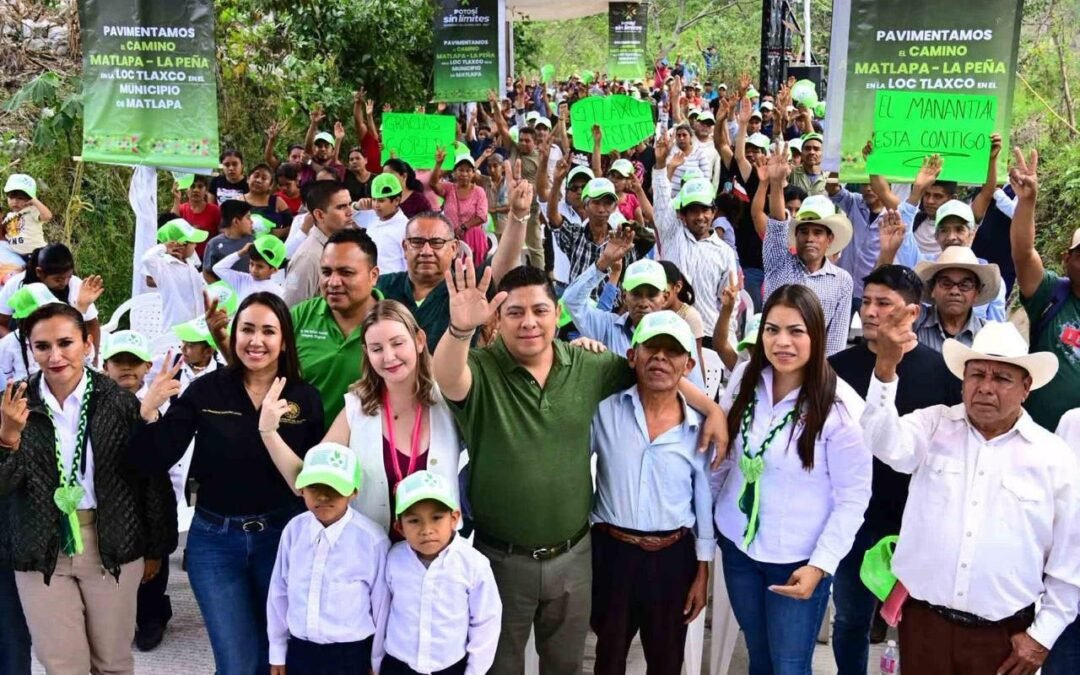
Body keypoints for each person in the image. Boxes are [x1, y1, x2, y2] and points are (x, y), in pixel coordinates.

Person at [432, 260, 728, 675]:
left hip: (574, 556)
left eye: (540, 310)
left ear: (557, 314)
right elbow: (446, 376)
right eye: (515, 312)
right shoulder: (481, 367)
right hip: (501, 558)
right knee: (498, 666)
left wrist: (710, 406)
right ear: (498, 319)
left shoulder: (589, 366)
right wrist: (460, 329)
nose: (529, 322)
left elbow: (655, 368)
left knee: (566, 665)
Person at [862, 317, 1080, 675]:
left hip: (1003, 639)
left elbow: (1070, 561)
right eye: (976, 375)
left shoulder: (1054, 457)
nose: (985, 388)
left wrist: (1042, 637)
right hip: (923, 625)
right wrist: (885, 370)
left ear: (1026, 387)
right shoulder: (933, 425)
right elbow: (883, 442)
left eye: (1001, 378)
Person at [130, 292, 324, 675]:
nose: (256, 340)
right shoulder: (206, 390)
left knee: (278, 658)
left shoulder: (304, 398)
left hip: (282, 538)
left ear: (284, 340)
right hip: (215, 542)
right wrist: (148, 409)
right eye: (247, 329)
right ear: (233, 336)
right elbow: (153, 457)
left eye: (268, 331)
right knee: (236, 663)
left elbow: (313, 480)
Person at [0, 303, 176, 675]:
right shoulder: (12, 404)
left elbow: (150, 479)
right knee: (63, 664)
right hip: (40, 547)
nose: (55, 355)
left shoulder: (120, 402)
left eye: (66, 343)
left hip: (111, 542)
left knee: (111, 662)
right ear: (30, 349)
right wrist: (7, 439)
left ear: (88, 343)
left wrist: (156, 548)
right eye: (42, 346)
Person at [712, 284, 871, 674]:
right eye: (772, 329)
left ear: (817, 334)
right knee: (759, 656)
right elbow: (723, 460)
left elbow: (854, 498)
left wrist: (821, 565)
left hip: (798, 562)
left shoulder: (841, 407)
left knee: (789, 666)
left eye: (796, 331)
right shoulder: (746, 383)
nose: (782, 342)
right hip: (739, 550)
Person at [827, 265, 962, 674]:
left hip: (916, 520)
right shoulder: (834, 368)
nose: (869, 312)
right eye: (866, 302)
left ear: (913, 314)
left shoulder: (942, 371)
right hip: (853, 518)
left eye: (883, 303)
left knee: (915, 622)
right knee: (850, 617)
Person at [260, 300, 462, 533]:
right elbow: (308, 482)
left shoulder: (447, 399)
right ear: (366, 352)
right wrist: (268, 432)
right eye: (376, 349)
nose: (388, 357)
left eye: (397, 343)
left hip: (437, 557)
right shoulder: (356, 407)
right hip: (371, 554)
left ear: (419, 341)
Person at [589, 311, 713, 674]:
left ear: (688, 364)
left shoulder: (698, 428)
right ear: (632, 356)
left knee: (666, 659)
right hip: (613, 554)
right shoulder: (604, 412)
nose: (660, 358)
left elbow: (702, 501)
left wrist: (702, 570)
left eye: (672, 351)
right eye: (651, 348)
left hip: (672, 557)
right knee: (608, 657)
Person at [266, 442, 390, 675]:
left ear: (353, 491)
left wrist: (376, 661)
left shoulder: (372, 540)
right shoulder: (294, 530)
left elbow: (382, 607)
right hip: (301, 650)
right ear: (302, 489)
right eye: (314, 487)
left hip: (350, 654)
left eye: (334, 487)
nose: (323, 496)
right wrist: (277, 650)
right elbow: (279, 593)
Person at [376, 179, 530, 351]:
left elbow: (504, 263)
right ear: (405, 247)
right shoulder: (382, 287)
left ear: (454, 248)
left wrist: (518, 215)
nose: (426, 251)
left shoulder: (469, 288)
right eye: (417, 242)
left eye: (436, 242)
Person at [382, 470, 501, 675]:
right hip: (399, 664)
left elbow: (486, 622)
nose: (427, 529)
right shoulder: (393, 559)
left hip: (449, 666)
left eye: (436, 518)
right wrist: (377, 662)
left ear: (454, 518)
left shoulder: (474, 564)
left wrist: (474, 671)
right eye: (414, 521)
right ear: (399, 527)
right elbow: (383, 610)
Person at [1008, 148, 1080, 433]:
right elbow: (1023, 254)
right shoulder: (1051, 294)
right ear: (1067, 259)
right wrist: (1028, 202)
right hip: (1037, 437)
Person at [762, 148, 854, 356]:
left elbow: (836, 341)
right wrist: (776, 184)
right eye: (803, 231)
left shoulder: (842, 281)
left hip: (814, 373)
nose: (810, 238)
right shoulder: (778, 263)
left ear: (829, 239)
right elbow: (777, 225)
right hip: (773, 361)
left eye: (817, 232)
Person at [652, 137, 740, 347]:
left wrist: (726, 336)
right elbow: (662, 202)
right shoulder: (672, 232)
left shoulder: (724, 252)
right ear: (682, 214)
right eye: (692, 210)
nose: (699, 216)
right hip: (669, 327)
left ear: (713, 212)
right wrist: (661, 166)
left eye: (704, 210)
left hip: (709, 333)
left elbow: (729, 302)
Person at [290, 229, 380, 426]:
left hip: (366, 449)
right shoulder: (299, 317)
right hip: (299, 449)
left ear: (373, 276)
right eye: (326, 272)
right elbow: (262, 375)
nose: (333, 282)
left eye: (346, 272)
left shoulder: (395, 325)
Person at [0, 244, 103, 353]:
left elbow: (92, 325)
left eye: (68, 276)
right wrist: (18, 344)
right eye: (58, 279)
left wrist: (95, 358)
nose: (64, 282)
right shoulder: (16, 285)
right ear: (39, 272)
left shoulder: (76, 286)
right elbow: (1, 323)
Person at [912, 246, 1000, 352]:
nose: (955, 291)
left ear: (977, 292)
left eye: (965, 285)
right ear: (932, 288)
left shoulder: (988, 336)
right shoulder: (912, 322)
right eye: (946, 283)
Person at [283, 180, 354, 307]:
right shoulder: (309, 257)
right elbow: (292, 311)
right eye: (341, 207)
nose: (350, 212)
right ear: (320, 215)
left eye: (350, 204)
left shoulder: (337, 246)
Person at [142, 217, 208, 329]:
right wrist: (165, 246)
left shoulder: (190, 264)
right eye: (193, 242)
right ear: (181, 245)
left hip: (197, 327)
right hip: (175, 330)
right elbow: (147, 258)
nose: (195, 246)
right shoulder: (164, 266)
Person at [429, 151, 490, 267]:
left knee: (470, 270)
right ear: (455, 173)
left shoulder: (479, 191)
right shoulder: (449, 188)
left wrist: (463, 227)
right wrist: (438, 164)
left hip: (472, 238)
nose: (464, 174)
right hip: (451, 237)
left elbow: (482, 216)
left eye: (468, 171)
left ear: (473, 173)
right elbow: (433, 184)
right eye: (461, 170)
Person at [212, 235, 288, 302]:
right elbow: (218, 268)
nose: (254, 270)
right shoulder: (242, 280)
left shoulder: (278, 292)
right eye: (251, 264)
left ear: (274, 270)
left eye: (260, 266)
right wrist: (240, 253)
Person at [359, 173, 408, 275]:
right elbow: (351, 215)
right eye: (374, 199)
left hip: (392, 285)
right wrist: (357, 205)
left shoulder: (406, 228)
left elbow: (408, 265)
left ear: (396, 201)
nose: (376, 205)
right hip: (368, 281)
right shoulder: (372, 216)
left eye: (381, 200)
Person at [203, 200, 255, 283]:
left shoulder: (253, 241)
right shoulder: (214, 244)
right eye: (248, 218)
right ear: (236, 222)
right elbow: (207, 272)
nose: (252, 222)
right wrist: (220, 291)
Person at [2, 173, 51, 261]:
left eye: (20, 198)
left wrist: (34, 201)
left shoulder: (32, 211)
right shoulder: (8, 217)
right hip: (16, 256)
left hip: (37, 254)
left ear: (29, 200)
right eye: (11, 197)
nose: (15, 201)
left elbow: (47, 216)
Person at [170, 174, 221, 259]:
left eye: (200, 187)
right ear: (187, 190)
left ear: (206, 191)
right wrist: (176, 199)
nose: (196, 190)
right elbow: (171, 226)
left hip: (208, 258)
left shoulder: (215, 210)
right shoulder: (181, 209)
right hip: (185, 258)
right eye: (192, 186)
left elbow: (221, 234)